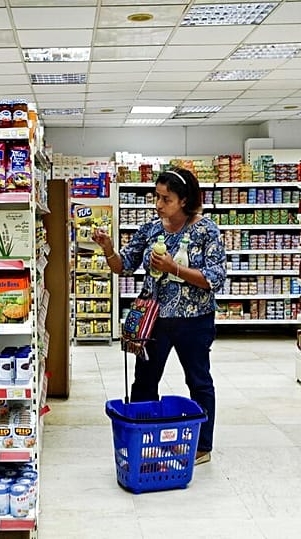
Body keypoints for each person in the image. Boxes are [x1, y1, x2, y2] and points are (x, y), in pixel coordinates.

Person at [92, 166, 226, 465]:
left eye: (166, 198)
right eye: (157, 197)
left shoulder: (206, 231)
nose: (158, 204)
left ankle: (202, 446)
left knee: (199, 381)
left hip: (195, 319)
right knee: (144, 381)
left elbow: (215, 278)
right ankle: (143, 438)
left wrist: (174, 268)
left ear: (184, 200)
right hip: (153, 319)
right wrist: (108, 248)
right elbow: (122, 265)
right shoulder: (151, 228)